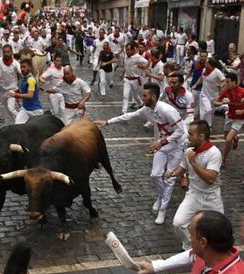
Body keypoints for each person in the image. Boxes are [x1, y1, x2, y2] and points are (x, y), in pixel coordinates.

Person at [95, 83, 187, 224]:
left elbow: (181, 130)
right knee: (155, 174)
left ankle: (162, 210)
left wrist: (163, 142)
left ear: (154, 96)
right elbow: (129, 116)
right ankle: (161, 196)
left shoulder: (167, 110)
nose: (142, 98)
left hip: (176, 145)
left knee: (169, 178)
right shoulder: (146, 109)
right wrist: (107, 122)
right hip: (161, 144)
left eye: (145, 95)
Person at [138, 211, 244, 274]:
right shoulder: (207, 256)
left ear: (203, 242)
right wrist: (156, 267)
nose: (190, 240)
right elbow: (189, 256)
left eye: (191, 236)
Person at [166, 120, 223, 250]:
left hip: (212, 198)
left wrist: (193, 163)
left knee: (220, 231)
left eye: (191, 134)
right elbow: (182, 168)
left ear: (201, 136)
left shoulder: (214, 153)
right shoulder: (188, 152)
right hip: (194, 195)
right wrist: (173, 173)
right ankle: (192, 248)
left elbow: (210, 179)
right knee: (178, 224)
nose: (188, 137)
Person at [214, 72, 244, 167]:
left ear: (234, 82)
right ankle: (236, 137)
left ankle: (223, 159)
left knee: (227, 140)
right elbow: (215, 103)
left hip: (239, 119)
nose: (226, 84)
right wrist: (222, 102)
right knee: (226, 137)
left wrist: (242, 111)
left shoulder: (242, 91)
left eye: (228, 82)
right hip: (229, 117)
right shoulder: (226, 91)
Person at [0, 44, 21, 120]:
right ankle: (17, 122)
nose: (6, 54)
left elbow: (22, 72)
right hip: (1, 91)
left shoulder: (15, 63)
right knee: (8, 110)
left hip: (12, 90)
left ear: (11, 52)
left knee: (11, 108)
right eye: (5, 52)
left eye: (8, 52)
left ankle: (22, 122)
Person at [7, 58, 43, 124]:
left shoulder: (31, 80)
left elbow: (30, 95)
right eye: (21, 67)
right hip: (25, 110)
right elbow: (22, 92)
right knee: (17, 126)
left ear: (29, 67)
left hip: (35, 111)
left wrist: (15, 95)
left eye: (24, 67)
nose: (22, 69)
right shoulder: (23, 79)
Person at [192, 58, 225, 127]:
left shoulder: (217, 72)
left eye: (207, 63)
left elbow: (224, 81)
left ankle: (205, 124)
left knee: (211, 112)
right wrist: (196, 84)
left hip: (214, 95)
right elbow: (201, 78)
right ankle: (208, 125)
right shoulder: (204, 70)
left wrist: (220, 85)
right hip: (204, 94)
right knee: (207, 110)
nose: (205, 63)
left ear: (210, 64)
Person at [121, 42, 148, 113]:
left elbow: (147, 63)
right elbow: (126, 66)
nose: (127, 51)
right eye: (126, 50)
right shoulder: (125, 56)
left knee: (136, 96)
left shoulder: (138, 57)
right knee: (125, 96)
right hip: (127, 79)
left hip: (136, 80)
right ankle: (124, 112)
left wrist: (142, 67)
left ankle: (141, 103)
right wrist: (122, 73)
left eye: (129, 50)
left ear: (133, 50)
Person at [39, 53, 64, 118]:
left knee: (63, 110)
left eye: (60, 61)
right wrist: (42, 80)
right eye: (57, 61)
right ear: (54, 61)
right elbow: (42, 77)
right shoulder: (51, 70)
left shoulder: (64, 69)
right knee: (56, 112)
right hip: (53, 94)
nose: (59, 62)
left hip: (63, 93)